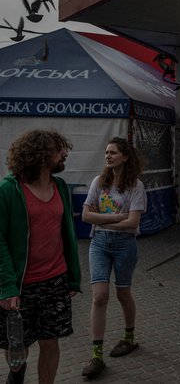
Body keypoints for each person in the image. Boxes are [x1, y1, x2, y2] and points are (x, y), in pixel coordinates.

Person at [0, 130, 82, 384]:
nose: (65, 154)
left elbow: (66, 232)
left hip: (55, 281)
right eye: (59, 150)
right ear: (42, 154)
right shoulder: (8, 191)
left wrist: (72, 277)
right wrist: (7, 286)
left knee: (50, 341)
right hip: (21, 285)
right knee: (18, 345)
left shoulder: (59, 186)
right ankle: (16, 375)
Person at [80, 137, 146, 379]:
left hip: (125, 246)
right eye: (106, 152)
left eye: (113, 153)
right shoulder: (99, 182)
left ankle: (129, 338)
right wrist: (118, 218)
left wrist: (104, 218)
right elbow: (86, 216)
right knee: (100, 297)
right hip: (98, 243)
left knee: (123, 293)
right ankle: (96, 355)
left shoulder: (136, 186)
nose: (108, 156)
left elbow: (134, 223)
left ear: (125, 157)